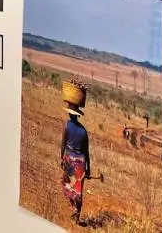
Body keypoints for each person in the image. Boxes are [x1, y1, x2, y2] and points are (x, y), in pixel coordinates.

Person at [60, 80, 92, 225]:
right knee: (78, 189)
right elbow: (87, 152)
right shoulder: (83, 131)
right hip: (81, 163)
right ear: (78, 114)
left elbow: (63, 144)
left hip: (69, 159)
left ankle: (74, 209)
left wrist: (62, 158)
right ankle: (77, 215)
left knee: (68, 187)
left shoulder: (67, 125)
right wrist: (88, 169)